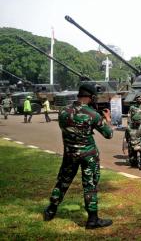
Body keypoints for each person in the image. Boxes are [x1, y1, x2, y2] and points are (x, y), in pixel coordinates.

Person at [43, 83, 114, 229]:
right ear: (91, 97)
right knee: (90, 185)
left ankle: (51, 210)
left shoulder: (63, 112)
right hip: (89, 156)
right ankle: (92, 219)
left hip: (70, 154)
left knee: (62, 182)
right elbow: (109, 134)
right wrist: (108, 120)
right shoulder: (93, 115)